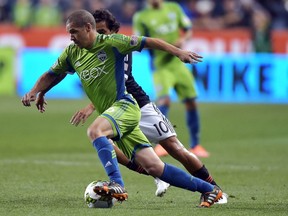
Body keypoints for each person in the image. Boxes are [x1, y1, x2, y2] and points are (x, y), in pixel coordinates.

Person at [21, 9, 222, 207]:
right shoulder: (72, 53)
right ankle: (209, 189)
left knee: (95, 131)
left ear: (88, 28)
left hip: (124, 106)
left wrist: (178, 52)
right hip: (113, 113)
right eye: (69, 32)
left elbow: (147, 41)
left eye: (74, 31)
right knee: (154, 167)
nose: (71, 36)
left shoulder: (112, 43)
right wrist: (37, 91)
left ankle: (117, 183)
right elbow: (53, 73)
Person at [133, 0, 210, 158]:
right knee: (164, 101)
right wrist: (163, 46)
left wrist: (183, 40)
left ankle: (196, 145)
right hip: (160, 66)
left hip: (179, 65)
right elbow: (140, 43)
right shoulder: (141, 17)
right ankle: (162, 144)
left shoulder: (174, 8)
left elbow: (188, 29)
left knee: (191, 101)